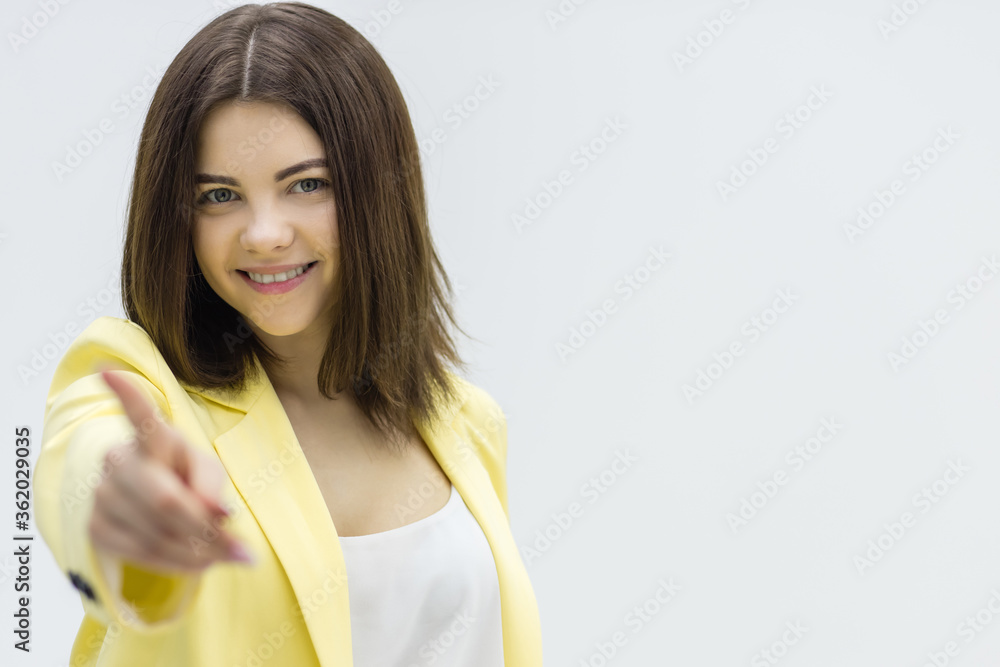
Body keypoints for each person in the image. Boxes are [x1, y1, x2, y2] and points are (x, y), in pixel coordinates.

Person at [32, 3, 543, 665]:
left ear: (377, 192)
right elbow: (87, 461)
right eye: (219, 195)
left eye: (306, 184)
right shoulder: (134, 382)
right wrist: (120, 501)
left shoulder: (467, 421)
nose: (264, 233)